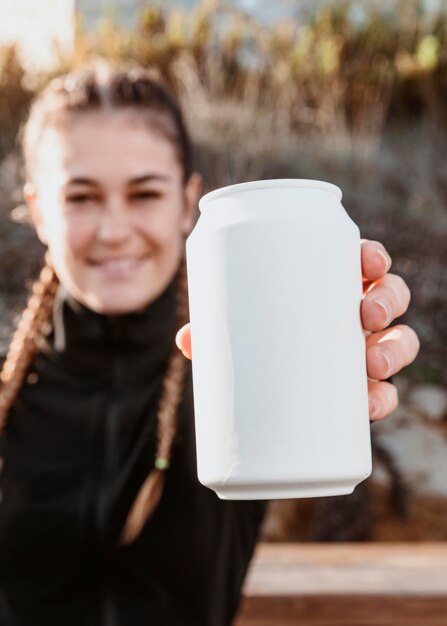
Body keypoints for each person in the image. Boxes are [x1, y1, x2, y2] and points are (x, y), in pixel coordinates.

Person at [0, 61, 420, 626]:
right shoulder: (8, 393)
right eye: (82, 197)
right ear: (38, 211)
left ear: (186, 200)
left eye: (144, 193)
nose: (115, 229)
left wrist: (343, 345)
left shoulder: (232, 373)